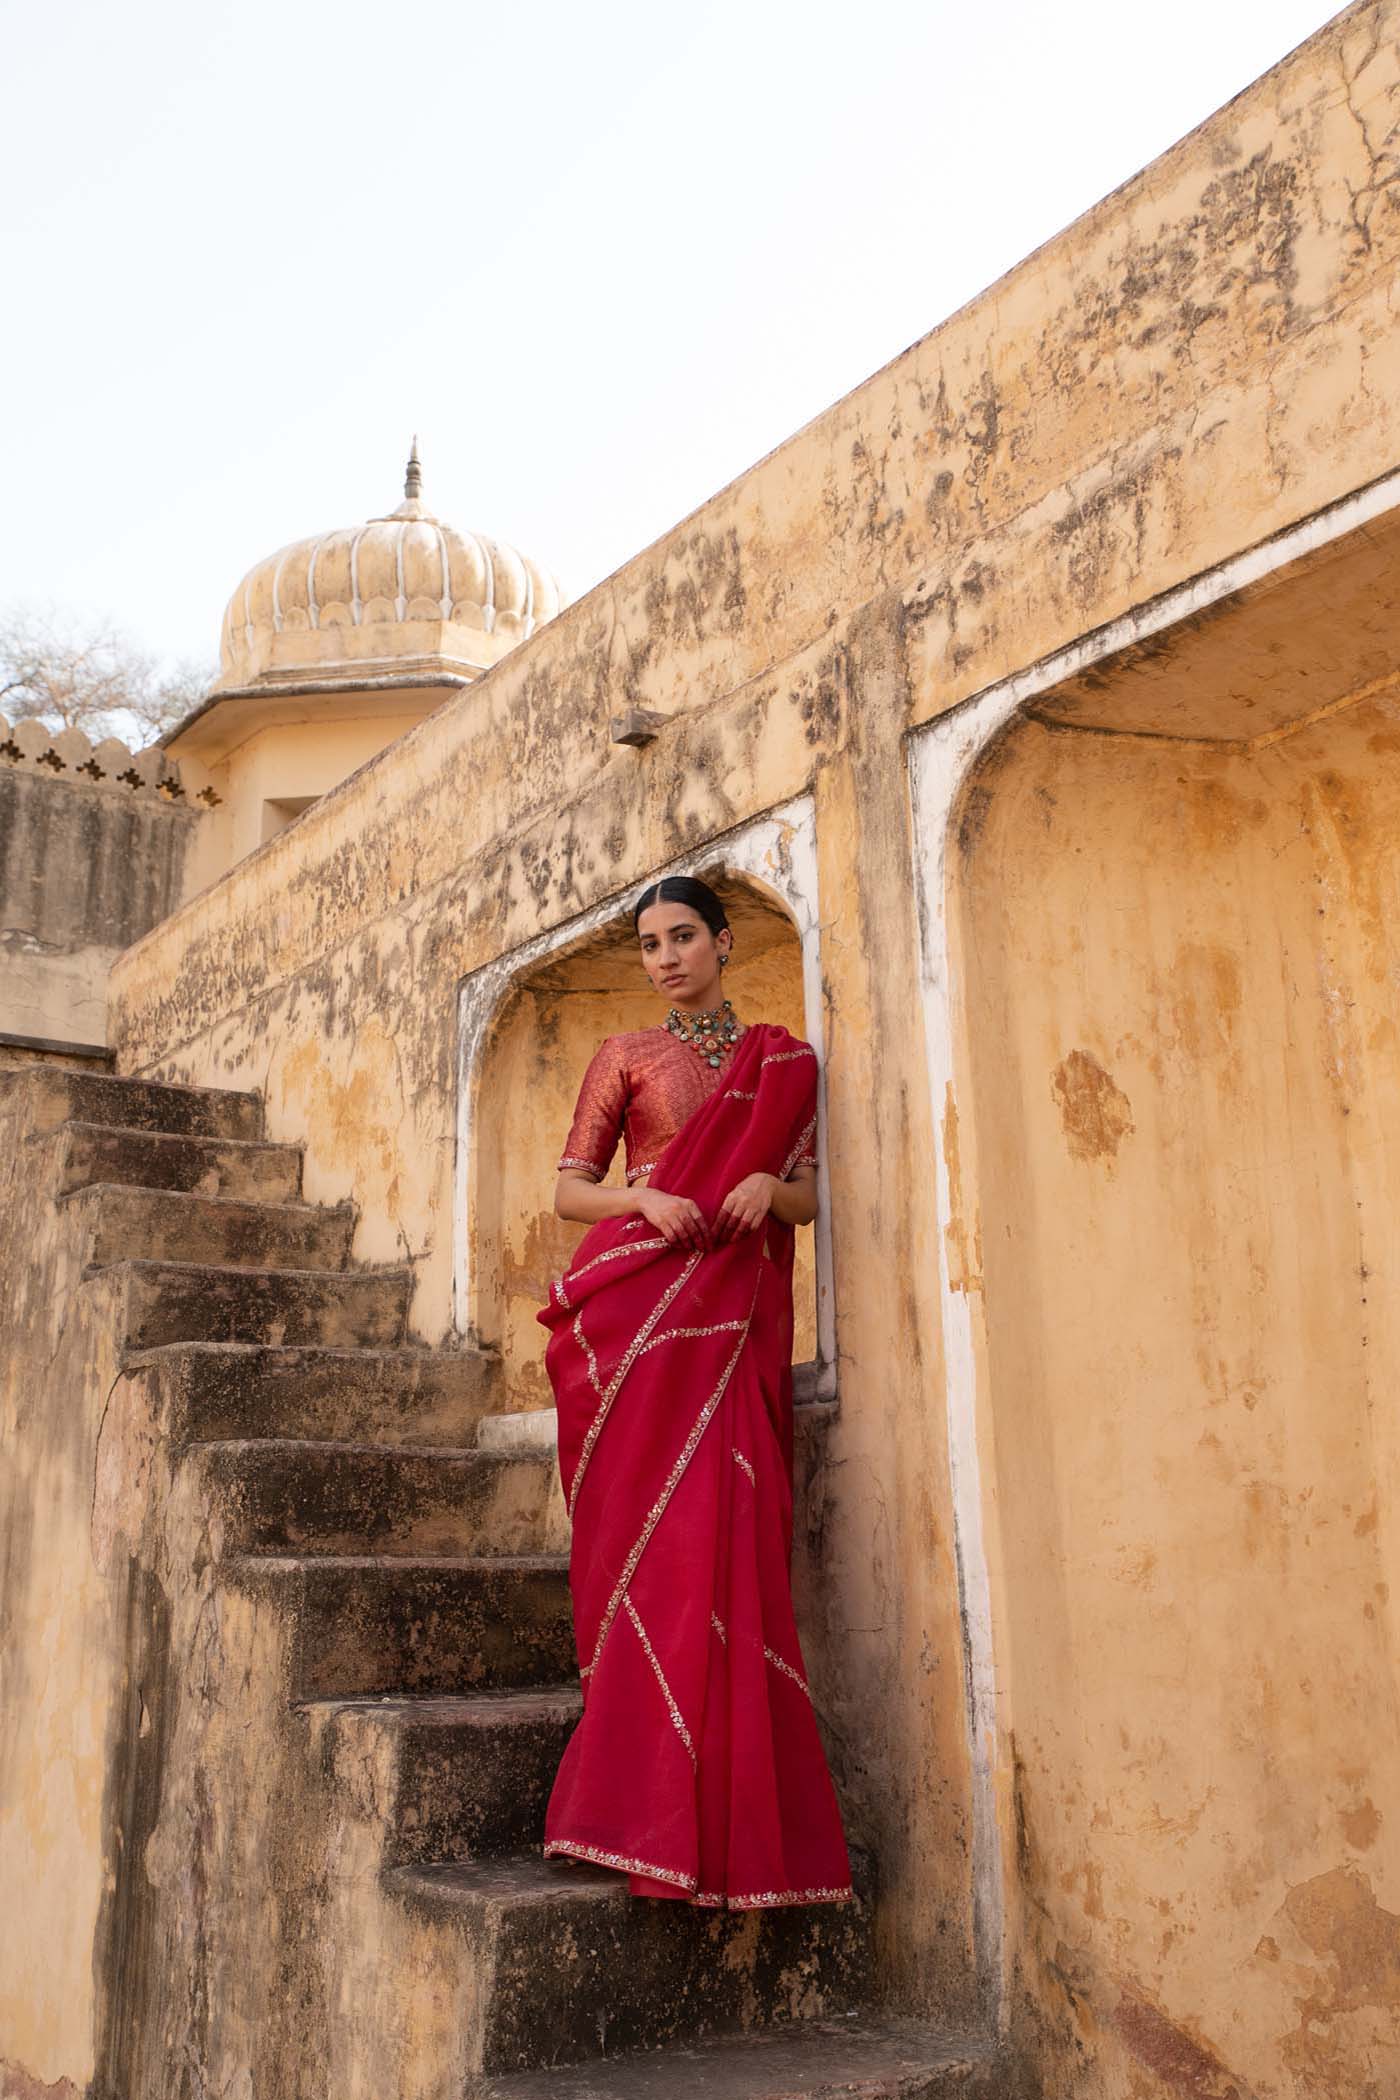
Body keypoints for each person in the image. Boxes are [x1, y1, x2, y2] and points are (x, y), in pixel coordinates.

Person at [537, 874, 853, 1909]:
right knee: (650, 1548)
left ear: (722, 943)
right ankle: (638, 1809)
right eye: (647, 944)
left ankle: (728, 1823)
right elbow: (570, 1191)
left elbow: (805, 1194)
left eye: (681, 937)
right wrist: (646, 1193)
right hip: (648, 1317)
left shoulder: (785, 1062)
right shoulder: (623, 1057)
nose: (664, 956)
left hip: (737, 1319)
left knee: (728, 1541)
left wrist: (775, 1189)